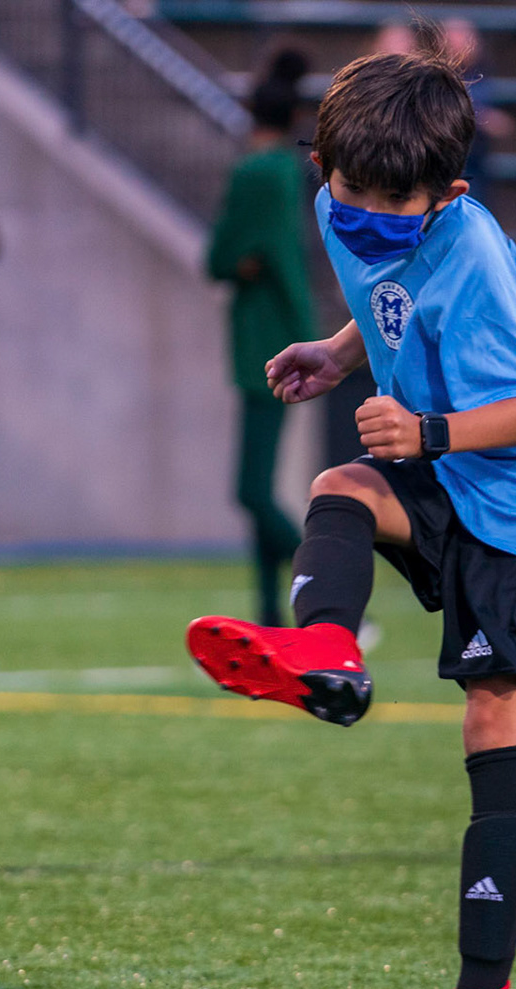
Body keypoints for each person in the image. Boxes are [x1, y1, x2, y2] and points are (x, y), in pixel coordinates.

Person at [186, 51, 516, 989]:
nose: (366, 219)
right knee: (339, 484)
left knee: (493, 712)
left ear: (451, 193)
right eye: (349, 194)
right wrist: (338, 350)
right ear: (322, 163)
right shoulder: (339, 203)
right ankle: (326, 651)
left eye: (395, 208)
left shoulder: (475, 253)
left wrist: (426, 428)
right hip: (442, 468)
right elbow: (389, 302)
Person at [207, 50, 314, 626]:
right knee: (259, 488)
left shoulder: (254, 172)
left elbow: (219, 257)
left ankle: (323, 582)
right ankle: (272, 611)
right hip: (281, 334)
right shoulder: (287, 172)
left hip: (261, 343)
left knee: (250, 491)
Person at [439, 18, 515, 207]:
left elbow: (503, 125)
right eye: (452, 38)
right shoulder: (436, 78)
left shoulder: (487, 76)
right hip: (442, 167)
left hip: (476, 165)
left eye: (463, 37)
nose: (458, 44)